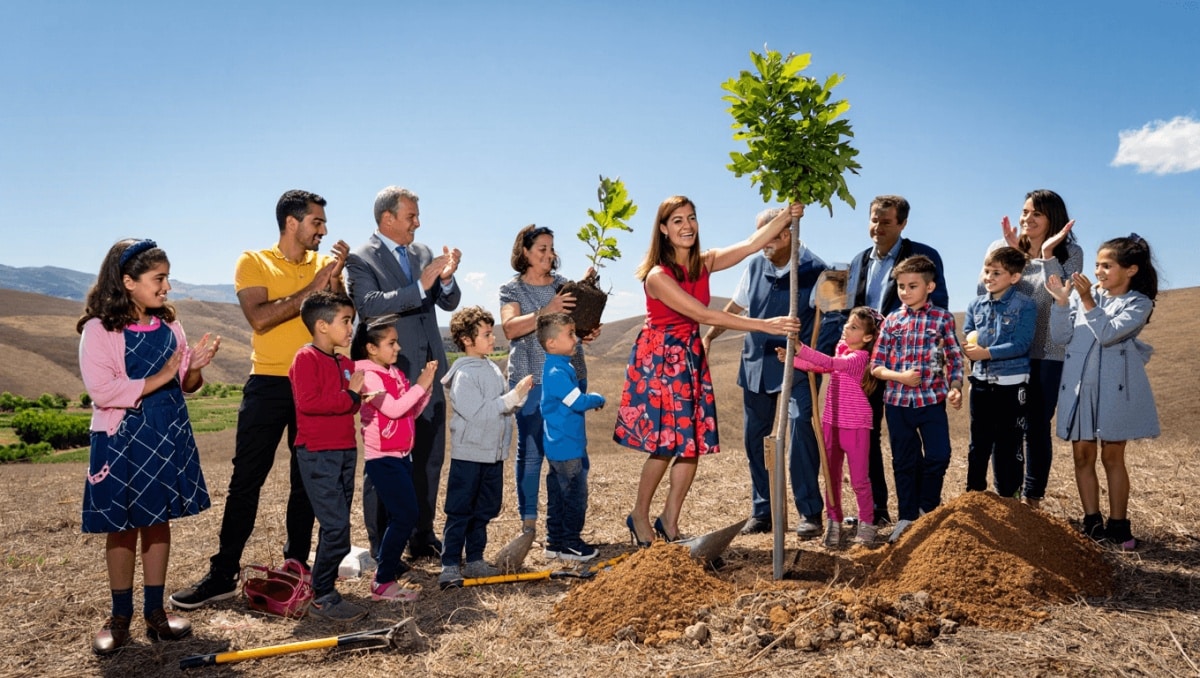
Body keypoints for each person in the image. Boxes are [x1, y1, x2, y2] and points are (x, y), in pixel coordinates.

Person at [171, 190, 347, 610]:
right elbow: (261, 318)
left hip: (317, 382)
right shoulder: (253, 261)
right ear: (292, 222)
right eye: (316, 222)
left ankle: (296, 566)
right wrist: (314, 287)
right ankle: (222, 573)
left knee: (306, 482)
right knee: (246, 480)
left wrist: (335, 281)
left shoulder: (326, 265)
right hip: (268, 382)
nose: (323, 230)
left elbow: (341, 319)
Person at [615, 196, 802, 546]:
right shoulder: (657, 276)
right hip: (661, 359)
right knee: (665, 444)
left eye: (691, 218)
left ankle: (669, 520)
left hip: (688, 356)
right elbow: (705, 316)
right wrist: (765, 325)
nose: (686, 226)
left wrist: (787, 216)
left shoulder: (704, 262)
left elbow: (751, 244)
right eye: (677, 221)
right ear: (663, 230)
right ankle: (639, 514)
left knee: (690, 444)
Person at [79, 239, 220, 654]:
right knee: (121, 529)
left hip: (166, 433)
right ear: (128, 282)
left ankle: (155, 613)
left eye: (167, 278)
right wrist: (166, 374)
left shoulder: (170, 327)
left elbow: (185, 385)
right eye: (159, 278)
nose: (167, 287)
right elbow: (104, 391)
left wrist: (194, 369)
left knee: (158, 522)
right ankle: (119, 617)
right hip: (122, 438)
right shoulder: (99, 329)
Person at [703, 207, 834, 539]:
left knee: (802, 432)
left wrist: (808, 355)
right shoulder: (755, 265)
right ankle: (764, 511)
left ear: (786, 234)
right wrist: (709, 335)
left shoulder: (820, 271)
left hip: (798, 368)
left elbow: (832, 322)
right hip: (756, 365)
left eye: (767, 236)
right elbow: (737, 305)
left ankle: (809, 513)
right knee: (754, 441)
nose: (761, 243)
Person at [346, 186, 461, 561]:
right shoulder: (361, 259)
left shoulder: (425, 253)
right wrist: (418, 286)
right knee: (386, 464)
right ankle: (384, 548)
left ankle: (422, 535)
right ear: (387, 219)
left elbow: (448, 301)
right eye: (411, 216)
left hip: (430, 375)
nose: (418, 223)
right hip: (389, 374)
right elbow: (368, 305)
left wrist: (445, 279)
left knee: (429, 457)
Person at [838, 195, 948, 527]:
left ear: (902, 224)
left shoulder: (924, 257)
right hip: (866, 365)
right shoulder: (858, 261)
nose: (877, 227)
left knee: (913, 443)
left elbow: (937, 305)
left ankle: (915, 513)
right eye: (874, 219)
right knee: (865, 438)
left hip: (908, 365)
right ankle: (878, 509)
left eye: (886, 222)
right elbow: (849, 309)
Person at [1048, 235, 1159, 550]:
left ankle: (1119, 526)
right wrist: (1060, 302)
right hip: (1080, 390)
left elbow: (1108, 334)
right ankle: (1091, 522)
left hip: (1115, 392)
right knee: (1082, 456)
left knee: (1113, 456)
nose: (1098, 271)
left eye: (1107, 265)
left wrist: (1086, 300)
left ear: (1131, 270)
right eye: (1097, 265)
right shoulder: (1087, 295)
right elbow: (1061, 335)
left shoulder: (1138, 303)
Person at [982, 189, 1083, 508]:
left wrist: (1048, 255)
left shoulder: (1070, 253)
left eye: (1036, 213)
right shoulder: (999, 247)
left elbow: (1060, 294)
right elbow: (989, 288)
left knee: (1037, 424)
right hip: (1008, 349)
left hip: (1048, 351)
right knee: (1004, 424)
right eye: (1025, 212)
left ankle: (1032, 498)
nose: (1027, 218)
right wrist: (1017, 256)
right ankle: (1006, 496)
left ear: (1053, 218)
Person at [498, 225, 598, 540]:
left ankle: (565, 528)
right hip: (531, 381)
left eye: (551, 248)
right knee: (531, 453)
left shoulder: (565, 286)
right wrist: (547, 310)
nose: (548, 254)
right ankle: (528, 525)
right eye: (541, 248)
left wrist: (587, 331)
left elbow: (575, 329)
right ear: (524, 252)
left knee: (571, 453)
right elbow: (510, 329)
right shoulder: (512, 290)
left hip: (571, 378)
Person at [869, 255, 963, 543]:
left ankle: (927, 508)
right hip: (897, 403)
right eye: (900, 286)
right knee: (904, 461)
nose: (905, 291)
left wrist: (955, 386)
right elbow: (876, 365)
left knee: (938, 455)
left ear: (930, 286)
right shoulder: (892, 321)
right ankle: (907, 517)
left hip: (931, 401)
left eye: (912, 285)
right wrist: (900, 377)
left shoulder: (943, 319)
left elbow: (954, 358)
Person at [438, 306, 533, 587]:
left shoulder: (492, 368)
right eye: (487, 334)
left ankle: (476, 559)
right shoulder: (465, 376)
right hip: (469, 456)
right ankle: (450, 564)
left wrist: (519, 397)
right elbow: (478, 413)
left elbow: (504, 404)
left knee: (483, 509)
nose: (493, 338)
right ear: (467, 340)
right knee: (460, 510)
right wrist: (511, 397)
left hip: (493, 455)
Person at [289, 291, 367, 621]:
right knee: (336, 528)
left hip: (345, 451)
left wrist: (353, 397)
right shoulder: (305, 360)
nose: (351, 328)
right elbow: (309, 403)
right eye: (345, 321)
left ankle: (324, 587)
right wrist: (349, 394)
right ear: (322, 325)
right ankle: (323, 595)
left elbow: (352, 404)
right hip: (318, 454)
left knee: (337, 525)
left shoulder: (344, 362)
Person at [777, 306, 882, 547]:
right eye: (847, 323)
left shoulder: (860, 358)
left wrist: (800, 349)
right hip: (831, 422)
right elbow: (823, 367)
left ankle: (867, 522)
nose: (846, 327)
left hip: (855, 425)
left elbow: (831, 363)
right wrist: (795, 360)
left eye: (853, 327)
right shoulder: (842, 349)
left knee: (858, 480)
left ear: (867, 337)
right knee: (831, 475)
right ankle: (833, 520)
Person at [351, 316, 437, 602]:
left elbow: (410, 411)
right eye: (391, 342)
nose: (398, 347)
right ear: (371, 349)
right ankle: (383, 581)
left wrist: (425, 390)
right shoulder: (368, 377)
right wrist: (420, 384)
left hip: (401, 456)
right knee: (405, 516)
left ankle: (385, 573)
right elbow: (395, 409)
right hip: (383, 459)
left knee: (398, 516)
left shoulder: (394, 373)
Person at [963, 247, 1037, 498]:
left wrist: (987, 353)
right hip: (980, 382)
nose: (989, 277)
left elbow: (1021, 344)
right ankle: (974, 496)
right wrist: (970, 349)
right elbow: (968, 331)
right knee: (978, 443)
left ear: (1014, 277)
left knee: (1009, 442)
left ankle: (1009, 496)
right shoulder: (976, 304)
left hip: (1012, 383)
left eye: (997, 272)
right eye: (986, 271)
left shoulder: (1025, 305)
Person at [540, 313, 606, 560]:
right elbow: (576, 401)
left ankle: (554, 542)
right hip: (567, 447)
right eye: (569, 334)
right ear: (552, 343)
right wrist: (597, 398)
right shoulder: (557, 372)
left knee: (557, 495)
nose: (575, 338)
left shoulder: (557, 366)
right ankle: (570, 543)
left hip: (558, 446)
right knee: (574, 497)